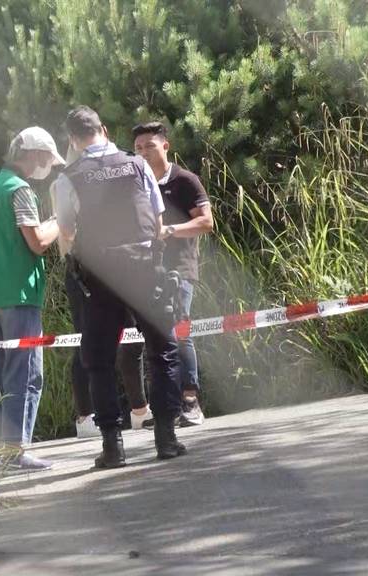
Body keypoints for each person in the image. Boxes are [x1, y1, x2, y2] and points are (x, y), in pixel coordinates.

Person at [53, 106, 185, 467]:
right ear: (104, 130)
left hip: (101, 275)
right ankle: (166, 439)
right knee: (163, 350)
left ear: (73, 141)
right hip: (145, 267)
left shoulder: (68, 177)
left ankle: (113, 448)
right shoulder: (138, 164)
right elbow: (157, 220)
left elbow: (66, 231)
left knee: (98, 360)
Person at [0, 126, 64, 470]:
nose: (48, 167)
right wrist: (59, 220)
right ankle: (16, 450)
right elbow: (37, 241)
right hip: (17, 294)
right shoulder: (19, 189)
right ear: (35, 156)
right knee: (25, 374)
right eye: (47, 160)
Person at [53, 147, 152, 439]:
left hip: (122, 264)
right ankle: (87, 418)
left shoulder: (121, 169)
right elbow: (66, 231)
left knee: (133, 341)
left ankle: (139, 412)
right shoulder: (66, 180)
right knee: (91, 346)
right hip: (86, 271)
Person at [132, 122, 214, 427]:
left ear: (165, 145)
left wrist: (170, 231)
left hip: (180, 270)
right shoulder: (137, 183)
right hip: (147, 270)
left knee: (180, 332)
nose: (143, 152)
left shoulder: (185, 181)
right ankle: (166, 407)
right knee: (154, 336)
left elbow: (206, 223)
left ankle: (190, 400)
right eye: (138, 148)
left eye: (149, 146)